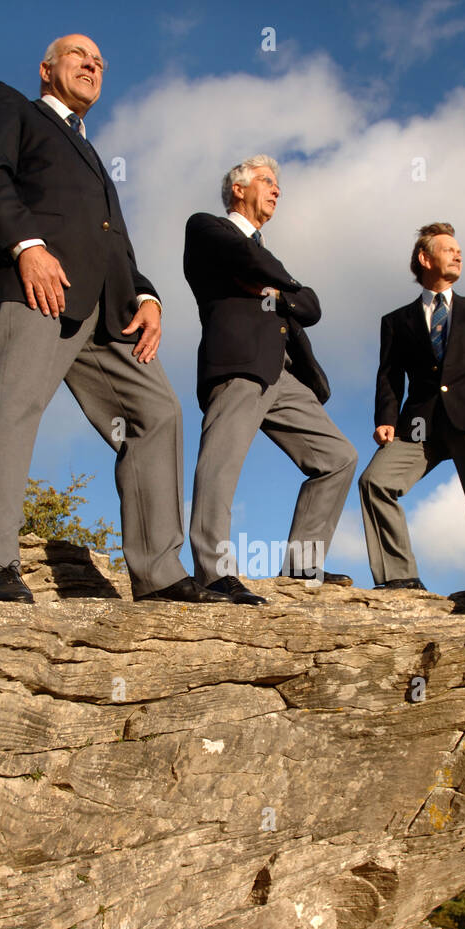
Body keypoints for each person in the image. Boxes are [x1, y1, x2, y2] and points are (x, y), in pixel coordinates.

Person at [0, 33, 228, 605]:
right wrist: (25, 246)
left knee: (158, 413)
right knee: (14, 405)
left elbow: (116, 241)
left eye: (101, 61)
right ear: (46, 69)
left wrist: (148, 296)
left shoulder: (92, 152)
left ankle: (158, 574)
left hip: (109, 311)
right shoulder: (8, 103)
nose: (93, 65)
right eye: (80, 56)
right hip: (40, 286)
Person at [183, 156, 357, 605]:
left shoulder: (264, 257)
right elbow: (246, 260)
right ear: (238, 190)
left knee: (339, 457)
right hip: (238, 363)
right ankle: (213, 572)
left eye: (278, 184)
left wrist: (277, 289)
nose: (276, 189)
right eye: (266, 181)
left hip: (283, 375)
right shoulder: (208, 229)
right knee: (221, 465)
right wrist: (285, 289)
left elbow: (312, 306)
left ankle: (301, 567)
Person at [358, 222, 465, 622]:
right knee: (375, 482)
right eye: (448, 249)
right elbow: (388, 376)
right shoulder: (397, 320)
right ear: (425, 258)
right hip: (420, 424)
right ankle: (399, 576)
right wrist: (386, 418)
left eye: (459, 250)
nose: (458, 254)